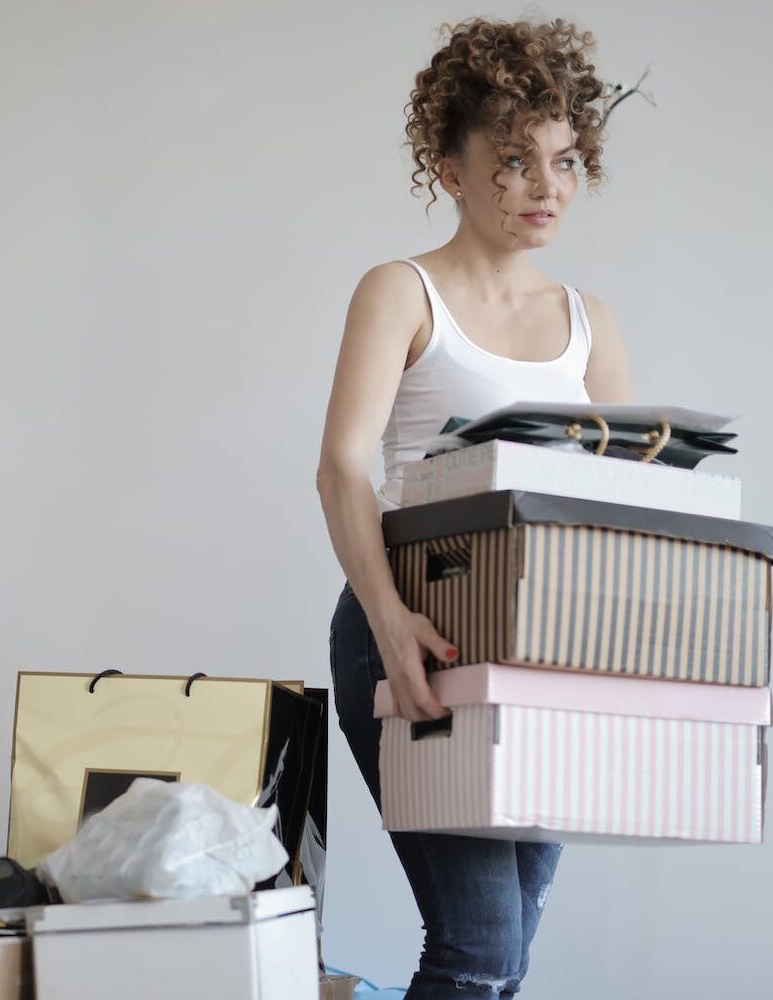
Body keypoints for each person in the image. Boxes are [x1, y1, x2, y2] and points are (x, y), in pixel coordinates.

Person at [315, 17, 634, 999]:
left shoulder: (589, 323)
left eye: (565, 160)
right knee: (479, 947)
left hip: (539, 652)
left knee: (505, 951)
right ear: (450, 171)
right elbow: (340, 467)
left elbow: (619, 504)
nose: (548, 186)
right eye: (514, 162)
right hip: (412, 628)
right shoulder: (402, 292)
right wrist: (387, 622)